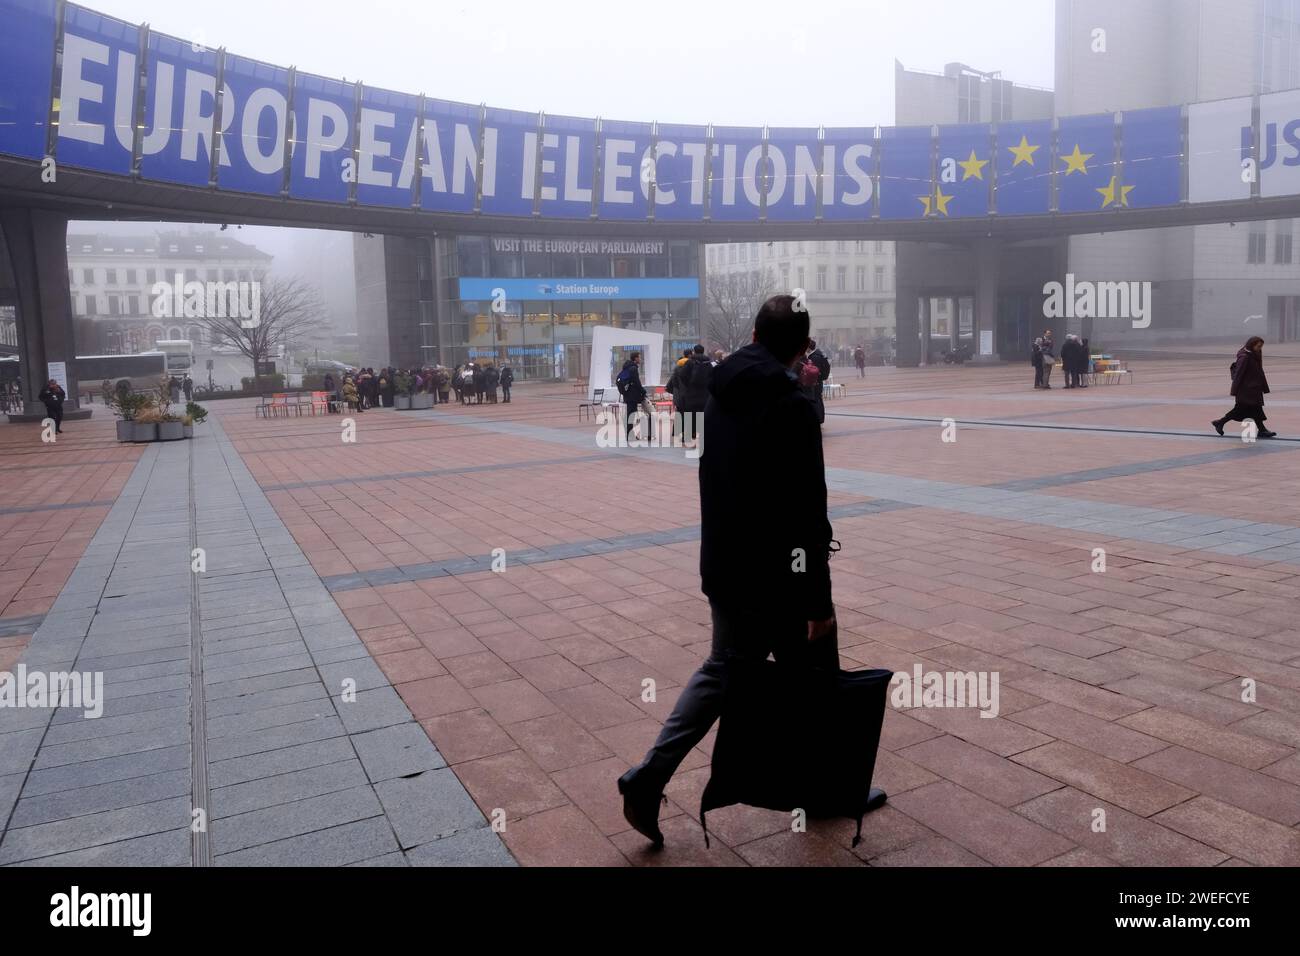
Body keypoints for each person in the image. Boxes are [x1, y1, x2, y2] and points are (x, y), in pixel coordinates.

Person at [617, 294, 845, 847]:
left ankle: (821, 786)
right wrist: (818, 599)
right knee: (748, 672)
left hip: (726, 562)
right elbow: (806, 510)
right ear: (803, 346)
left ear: (752, 332)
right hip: (777, 578)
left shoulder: (721, 392)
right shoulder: (791, 405)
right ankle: (649, 776)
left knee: (758, 670)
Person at [1213, 336, 1275, 438]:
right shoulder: (1245, 357)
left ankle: (1262, 430)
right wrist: (1234, 390)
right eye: (1258, 346)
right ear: (1252, 345)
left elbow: (1259, 372)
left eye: (1261, 347)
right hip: (1245, 390)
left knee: (1256, 409)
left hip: (1253, 389)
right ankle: (1220, 422)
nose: (1260, 349)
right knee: (1240, 410)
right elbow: (1238, 374)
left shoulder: (1255, 354)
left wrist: (1263, 386)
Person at [677, 344, 712, 447]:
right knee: (703, 416)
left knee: (689, 415)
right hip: (705, 395)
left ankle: (687, 438)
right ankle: (704, 438)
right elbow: (713, 376)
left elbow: (682, 375)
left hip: (691, 394)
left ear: (694, 351)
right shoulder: (708, 362)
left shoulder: (690, 362)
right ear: (703, 351)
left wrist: (688, 385)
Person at [616, 352, 651, 440]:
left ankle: (629, 434)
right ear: (635, 358)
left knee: (630, 414)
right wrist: (643, 391)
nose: (640, 359)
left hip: (628, 395)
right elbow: (637, 382)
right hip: (632, 396)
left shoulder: (627, 367)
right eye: (639, 357)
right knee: (631, 415)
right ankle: (630, 435)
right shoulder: (633, 368)